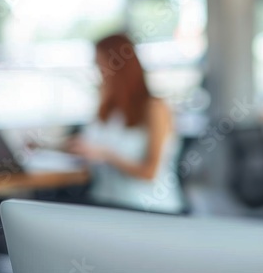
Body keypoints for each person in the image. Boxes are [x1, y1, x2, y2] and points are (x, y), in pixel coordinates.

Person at [64, 33, 185, 214]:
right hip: (104, 204)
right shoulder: (107, 111)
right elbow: (90, 150)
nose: (99, 75)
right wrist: (47, 146)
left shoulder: (154, 108)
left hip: (147, 210)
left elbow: (150, 172)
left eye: (100, 66)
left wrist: (106, 155)